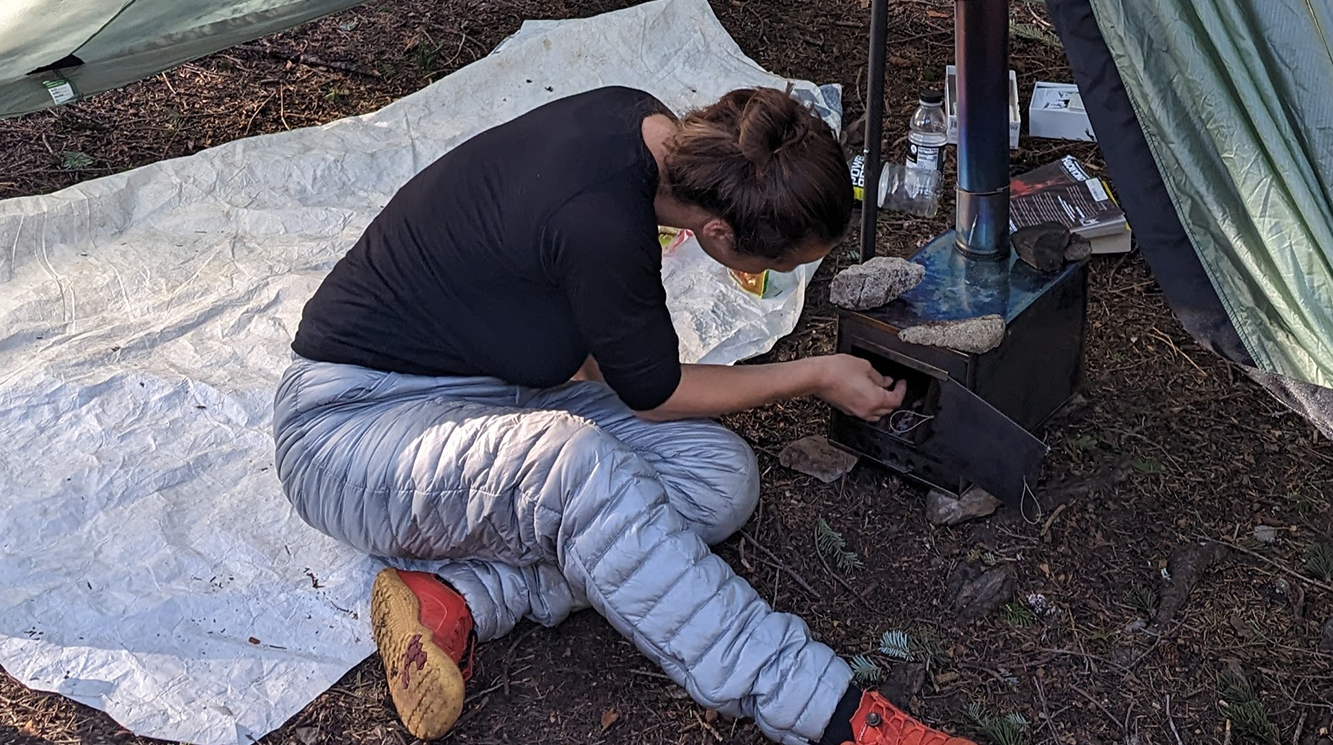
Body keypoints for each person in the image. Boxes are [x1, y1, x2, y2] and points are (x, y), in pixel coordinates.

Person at [273, 84, 976, 745]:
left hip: (484, 391)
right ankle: (828, 710)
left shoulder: (641, 125)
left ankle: (460, 595)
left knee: (719, 474)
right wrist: (817, 374)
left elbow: (617, 368)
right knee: (574, 465)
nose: (781, 279)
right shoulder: (604, 224)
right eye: (783, 265)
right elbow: (652, 392)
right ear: (718, 233)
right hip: (350, 432)